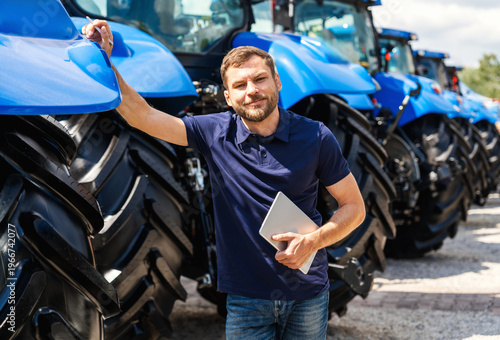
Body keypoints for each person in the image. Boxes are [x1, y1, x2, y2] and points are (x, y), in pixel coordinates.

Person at [83, 20, 365, 340]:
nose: (252, 91)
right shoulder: (213, 132)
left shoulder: (316, 136)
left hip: (309, 295)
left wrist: (314, 240)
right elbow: (143, 116)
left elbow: (354, 207)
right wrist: (105, 60)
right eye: (240, 85)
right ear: (228, 98)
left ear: (278, 82)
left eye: (260, 79)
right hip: (246, 299)